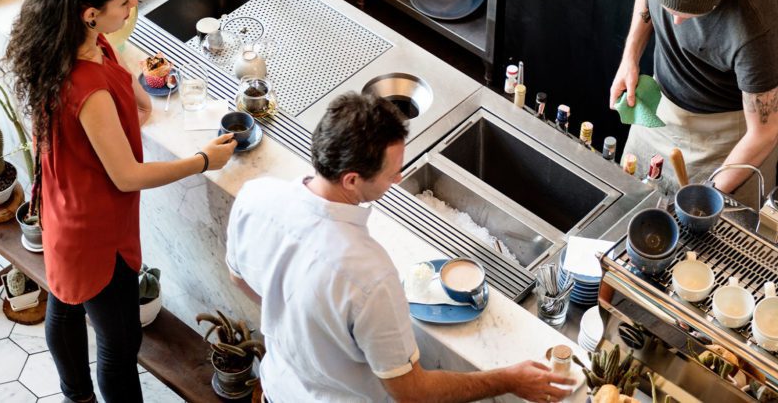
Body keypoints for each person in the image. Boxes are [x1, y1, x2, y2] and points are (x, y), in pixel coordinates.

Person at [2, 0, 236, 403]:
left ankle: (76, 396)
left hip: (64, 206)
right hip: (96, 232)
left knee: (67, 303)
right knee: (120, 343)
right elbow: (127, 176)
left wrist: (132, 79)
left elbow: (135, 98)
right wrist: (203, 160)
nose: (134, 4)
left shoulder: (69, 45)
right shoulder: (87, 89)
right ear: (90, 12)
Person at [226, 92, 574, 403]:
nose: (399, 179)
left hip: (276, 390)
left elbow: (238, 277)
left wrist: (299, 321)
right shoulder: (370, 276)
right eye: (392, 173)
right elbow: (412, 392)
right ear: (351, 180)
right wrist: (508, 379)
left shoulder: (256, 196)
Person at [609, 0, 778, 208]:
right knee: (631, 209)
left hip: (726, 140)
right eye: (669, 10)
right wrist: (631, 56)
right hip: (660, 111)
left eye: (687, 15)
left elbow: (765, 131)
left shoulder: (756, 22)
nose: (676, 23)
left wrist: (709, 193)